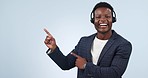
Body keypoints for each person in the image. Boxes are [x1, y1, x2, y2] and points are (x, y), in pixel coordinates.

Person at [44, 2, 132, 78]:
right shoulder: (84, 42)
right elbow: (65, 64)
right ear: (93, 20)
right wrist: (53, 48)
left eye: (107, 16)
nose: (103, 20)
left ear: (113, 19)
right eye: (98, 17)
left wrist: (86, 66)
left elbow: (114, 73)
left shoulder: (123, 44)